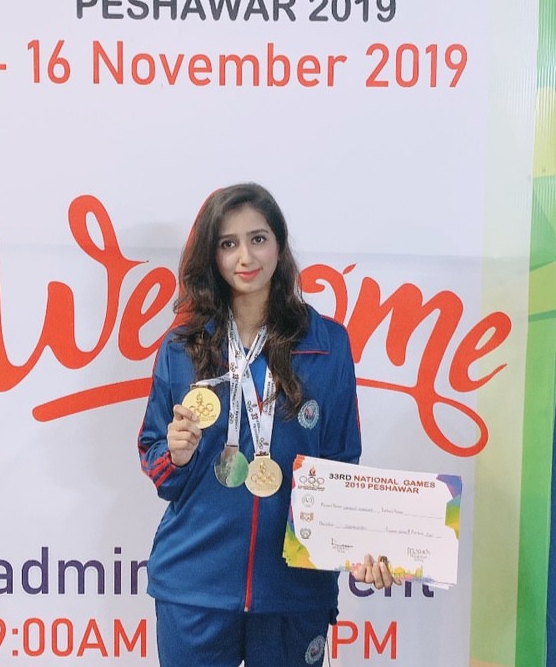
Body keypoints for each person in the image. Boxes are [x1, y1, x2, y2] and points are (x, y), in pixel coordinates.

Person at [138, 183, 399, 667]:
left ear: (279, 245)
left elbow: (342, 463)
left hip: (293, 590)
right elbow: (155, 460)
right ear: (212, 255)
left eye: (257, 239)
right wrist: (175, 455)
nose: (245, 257)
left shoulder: (327, 344)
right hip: (195, 585)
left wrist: (363, 545)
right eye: (228, 243)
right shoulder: (182, 347)